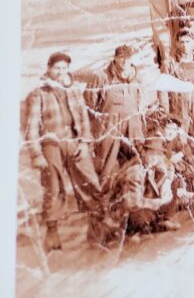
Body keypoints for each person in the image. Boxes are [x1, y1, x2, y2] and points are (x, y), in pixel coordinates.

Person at [25, 52, 111, 251]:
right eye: (57, 68)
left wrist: (84, 142)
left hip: (73, 140)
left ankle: (98, 228)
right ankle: (52, 234)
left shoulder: (73, 90)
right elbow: (31, 127)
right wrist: (36, 154)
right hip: (51, 144)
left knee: (88, 180)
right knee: (53, 186)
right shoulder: (39, 93)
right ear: (49, 68)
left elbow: (83, 119)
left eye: (64, 68)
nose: (61, 72)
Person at [86, 44, 147, 182]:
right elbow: (89, 104)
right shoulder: (101, 77)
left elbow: (141, 101)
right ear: (115, 58)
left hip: (132, 126)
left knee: (137, 159)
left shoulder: (137, 77)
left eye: (128, 58)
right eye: (121, 58)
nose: (125, 61)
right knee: (107, 164)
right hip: (110, 126)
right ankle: (105, 190)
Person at [107, 136, 180, 238]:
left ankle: (161, 221)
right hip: (126, 210)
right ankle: (137, 230)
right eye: (152, 153)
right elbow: (133, 203)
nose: (155, 158)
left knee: (174, 182)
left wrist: (167, 182)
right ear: (144, 152)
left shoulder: (151, 163)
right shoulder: (135, 170)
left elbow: (169, 166)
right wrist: (160, 202)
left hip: (141, 202)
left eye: (158, 154)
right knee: (139, 216)